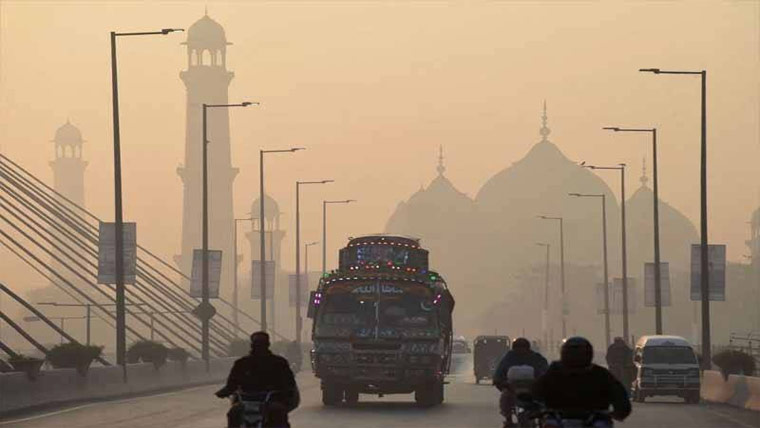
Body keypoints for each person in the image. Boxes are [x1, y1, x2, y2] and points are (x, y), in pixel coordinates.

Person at [532, 337, 631, 427]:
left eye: (579, 354)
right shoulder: (554, 372)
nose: (576, 357)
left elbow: (619, 394)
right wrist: (531, 404)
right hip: (558, 419)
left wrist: (620, 410)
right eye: (572, 354)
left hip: (594, 419)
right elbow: (535, 391)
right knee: (549, 424)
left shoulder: (600, 374)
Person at [215, 331, 299, 428]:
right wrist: (225, 391)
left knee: (278, 413)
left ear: (267, 345)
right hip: (246, 402)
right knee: (233, 413)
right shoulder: (242, 363)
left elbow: (289, 383)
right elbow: (232, 383)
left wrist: (285, 393)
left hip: (270, 401)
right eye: (257, 344)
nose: (259, 347)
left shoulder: (278, 363)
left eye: (261, 344)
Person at [493, 337, 549, 427]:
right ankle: (509, 420)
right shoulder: (509, 358)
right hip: (512, 389)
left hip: (533, 389)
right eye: (518, 347)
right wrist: (501, 382)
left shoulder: (536, 358)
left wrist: (540, 382)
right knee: (505, 397)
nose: (520, 350)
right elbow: (499, 373)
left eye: (523, 347)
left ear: (528, 348)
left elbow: (545, 372)